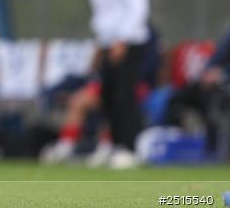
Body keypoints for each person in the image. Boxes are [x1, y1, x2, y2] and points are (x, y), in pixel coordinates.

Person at [40, 25, 160, 166]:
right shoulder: (110, 32)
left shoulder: (143, 35)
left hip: (136, 86)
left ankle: (109, 147)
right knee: (80, 100)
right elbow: (97, 68)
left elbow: (148, 70)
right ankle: (66, 147)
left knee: (116, 100)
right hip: (109, 84)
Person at [84, 0, 150, 169]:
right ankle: (112, 144)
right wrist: (101, 43)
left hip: (129, 42)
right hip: (107, 43)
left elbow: (138, 6)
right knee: (107, 96)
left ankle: (129, 148)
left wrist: (122, 39)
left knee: (125, 95)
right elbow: (102, 13)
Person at [166, 27, 230, 155]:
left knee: (215, 101)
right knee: (177, 99)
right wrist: (210, 71)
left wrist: (225, 73)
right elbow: (218, 56)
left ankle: (214, 148)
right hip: (219, 84)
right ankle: (179, 143)